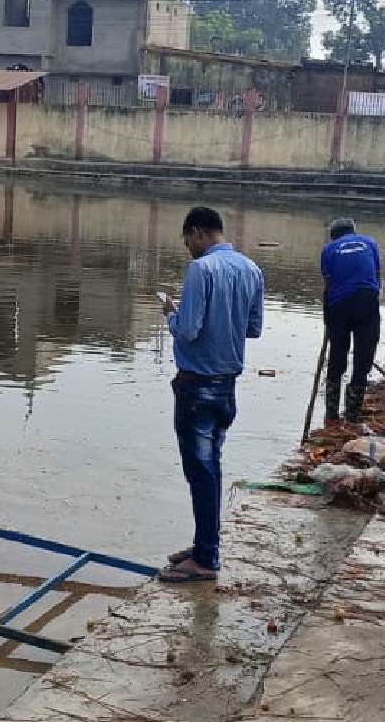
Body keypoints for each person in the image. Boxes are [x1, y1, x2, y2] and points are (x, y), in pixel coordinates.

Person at [159, 207, 264, 583]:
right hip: (226, 387)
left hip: (196, 386)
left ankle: (205, 559)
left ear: (199, 233)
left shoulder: (201, 270)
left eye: (188, 240)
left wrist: (171, 313)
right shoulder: (252, 269)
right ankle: (205, 545)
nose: (189, 248)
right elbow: (253, 329)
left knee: (200, 473)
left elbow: (188, 330)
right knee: (211, 469)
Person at [322, 218, 381, 426]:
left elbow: (329, 285)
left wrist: (327, 318)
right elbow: (376, 276)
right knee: (363, 357)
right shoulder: (370, 243)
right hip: (367, 301)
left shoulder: (329, 250)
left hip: (340, 304)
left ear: (334, 235)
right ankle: (352, 416)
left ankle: (330, 416)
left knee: (337, 356)